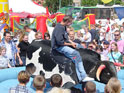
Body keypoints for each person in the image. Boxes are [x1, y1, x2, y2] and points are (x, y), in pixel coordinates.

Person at [51, 15, 94, 82]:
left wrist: (73, 43)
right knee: (76, 54)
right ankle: (83, 76)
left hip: (64, 44)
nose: (71, 24)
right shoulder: (59, 28)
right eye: (71, 22)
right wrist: (71, 44)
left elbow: (66, 39)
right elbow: (59, 42)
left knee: (81, 47)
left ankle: (82, 63)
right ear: (67, 22)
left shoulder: (63, 26)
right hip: (58, 47)